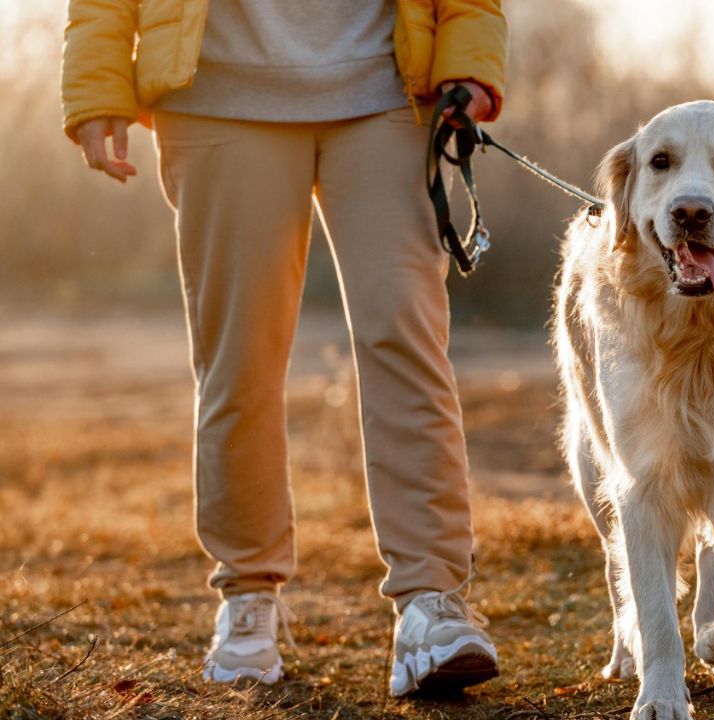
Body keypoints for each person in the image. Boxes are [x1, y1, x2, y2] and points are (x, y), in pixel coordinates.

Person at [60, 0, 508, 696]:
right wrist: (96, 84)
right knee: (237, 359)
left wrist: (470, 58)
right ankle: (246, 600)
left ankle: (431, 604)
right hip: (215, 93)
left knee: (406, 340)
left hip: (389, 85)